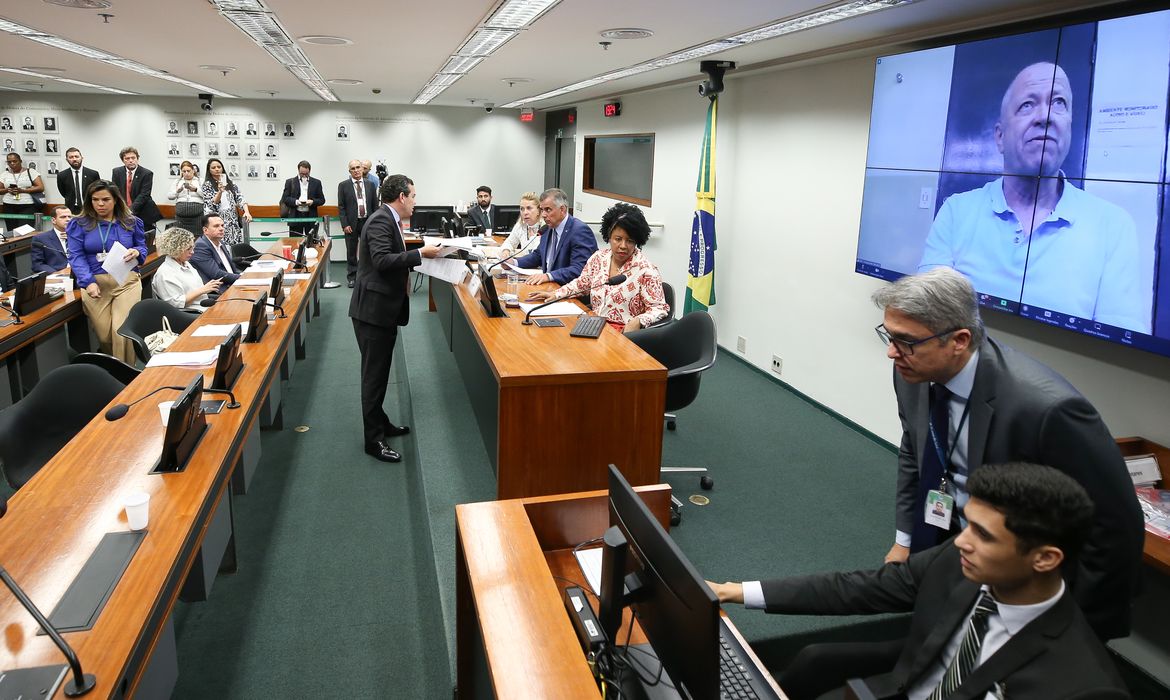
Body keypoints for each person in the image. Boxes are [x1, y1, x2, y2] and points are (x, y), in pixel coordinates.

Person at [873, 267, 1142, 640]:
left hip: (1020, 572)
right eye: (889, 336)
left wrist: (1080, 629)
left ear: (959, 340)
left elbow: (1114, 528)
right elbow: (912, 451)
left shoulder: (1048, 409)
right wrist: (904, 542)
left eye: (905, 341)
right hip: (952, 546)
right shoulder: (913, 372)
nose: (891, 352)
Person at [708, 463, 1129, 699]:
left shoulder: (1086, 689)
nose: (960, 542)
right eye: (968, 525)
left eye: (984, 535)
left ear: (1045, 558)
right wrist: (733, 591)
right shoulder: (959, 562)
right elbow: (859, 587)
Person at [918, 62, 1147, 333]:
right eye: (1027, 104)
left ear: (1070, 128)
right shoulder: (957, 211)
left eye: (1059, 102)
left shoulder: (1113, 225)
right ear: (1000, 138)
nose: (1045, 116)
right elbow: (927, 315)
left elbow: (1119, 344)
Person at [349, 174, 441, 462]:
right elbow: (381, 260)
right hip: (372, 312)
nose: (415, 202)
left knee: (381, 373)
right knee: (373, 378)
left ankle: (381, 422)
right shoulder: (379, 220)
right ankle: (373, 441)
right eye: (413, 196)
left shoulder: (389, 218)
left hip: (382, 310)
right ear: (401, 197)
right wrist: (420, 254)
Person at [527, 202, 667, 332]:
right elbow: (582, 284)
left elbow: (659, 308)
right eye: (618, 239)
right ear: (609, 237)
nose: (623, 246)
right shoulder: (598, 258)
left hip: (625, 335)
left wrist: (639, 321)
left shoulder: (646, 270)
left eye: (630, 241)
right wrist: (556, 294)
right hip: (593, 325)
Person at [66, 180, 147, 365]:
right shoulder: (79, 224)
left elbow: (141, 246)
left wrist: (137, 252)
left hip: (126, 281)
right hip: (95, 284)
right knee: (104, 337)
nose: (100, 204)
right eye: (95, 200)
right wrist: (88, 281)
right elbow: (76, 256)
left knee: (121, 334)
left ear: (116, 200)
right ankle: (116, 366)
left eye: (105, 200)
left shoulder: (131, 222)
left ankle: (125, 378)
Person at [513, 187, 597, 284]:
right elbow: (538, 256)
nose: (543, 215)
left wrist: (549, 276)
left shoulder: (579, 231)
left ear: (562, 209)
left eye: (548, 210)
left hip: (569, 293)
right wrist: (514, 262)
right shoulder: (548, 228)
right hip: (549, 288)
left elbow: (580, 269)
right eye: (542, 209)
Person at [152, 227, 221, 309]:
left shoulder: (185, 263)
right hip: (190, 313)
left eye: (192, 247)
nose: (192, 252)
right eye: (188, 249)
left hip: (203, 306)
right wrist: (203, 290)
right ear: (175, 249)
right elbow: (176, 303)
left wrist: (208, 288)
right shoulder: (164, 273)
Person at [337, 159, 378, 287]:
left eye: (358, 167)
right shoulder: (343, 185)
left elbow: (375, 205)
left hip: (368, 221)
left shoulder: (370, 185)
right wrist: (345, 224)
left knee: (369, 250)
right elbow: (341, 207)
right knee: (351, 251)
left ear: (362, 169)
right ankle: (352, 277)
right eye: (353, 168)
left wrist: (376, 223)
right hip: (351, 223)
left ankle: (369, 275)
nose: (356, 170)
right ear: (350, 171)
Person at [200, 158, 251, 247]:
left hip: (233, 221)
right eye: (213, 167)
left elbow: (240, 198)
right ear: (209, 170)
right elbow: (212, 205)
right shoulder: (207, 185)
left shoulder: (230, 183)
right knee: (221, 247)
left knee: (235, 247)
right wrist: (220, 191)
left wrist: (246, 212)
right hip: (217, 221)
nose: (216, 169)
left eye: (219, 167)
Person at [112, 146, 162, 232]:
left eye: (133, 158)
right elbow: (116, 191)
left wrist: (130, 211)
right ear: (123, 160)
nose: (130, 160)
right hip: (124, 213)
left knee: (145, 240)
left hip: (144, 213)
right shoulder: (117, 172)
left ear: (137, 159)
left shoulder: (146, 173)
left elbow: (144, 195)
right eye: (127, 158)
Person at [190, 213, 240, 285]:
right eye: (216, 226)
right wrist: (242, 278)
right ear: (205, 230)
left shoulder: (221, 243)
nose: (221, 229)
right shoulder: (200, 246)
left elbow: (230, 270)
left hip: (232, 283)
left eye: (222, 225)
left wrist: (244, 276)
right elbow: (216, 274)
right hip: (220, 289)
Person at [0, 153, 43, 232]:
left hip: (27, 206)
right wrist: (7, 190)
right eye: (9, 162)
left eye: (14, 161)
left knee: (25, 232)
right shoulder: (4, 174)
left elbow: (40, 187)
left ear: (20, 161)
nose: (12, 164)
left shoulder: (30, 171)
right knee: (11, 232)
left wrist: (22, 190)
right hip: (9, 206)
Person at [281, 160, 324, 237]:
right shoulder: (290, 182)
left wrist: (312, 202)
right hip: (295, 216)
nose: (304, 176)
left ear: (309, 171)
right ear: (298, 170)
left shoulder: (316, 182)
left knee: (311, 243)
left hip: (310, 216)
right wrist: (297, 202)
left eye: (306, 174)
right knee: (294, 243)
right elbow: (285, 199)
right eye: (302, 174)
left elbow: (322, 200)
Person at [30, 205, 71, 273]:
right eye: (63, 217)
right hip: (57, 277)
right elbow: (37, 265)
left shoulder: (78, 237)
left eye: (69, 217)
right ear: (53, 220)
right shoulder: (40, 239)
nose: (68, 219)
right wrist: (57, 274)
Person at [167, 160, 204, 234]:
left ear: (193, 171)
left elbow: (206, 195)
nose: (186, 173)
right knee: (181, 238)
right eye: (184, 171)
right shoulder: (177, 181)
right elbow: (169, 196)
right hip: (181, 217)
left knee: (197, 236)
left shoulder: (200, 181)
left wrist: (196, 189)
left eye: (188, 171)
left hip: (197, 217)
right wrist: (177, 191)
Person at [56, 148, 96, 214]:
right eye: (71, 157)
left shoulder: (93, 174)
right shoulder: (62, 175)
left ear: (82, 158)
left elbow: (97, 192)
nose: (74, 159)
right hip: (71, 209)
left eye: (76, 156)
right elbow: (63, 192)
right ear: (67, 160)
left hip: (89, 208)